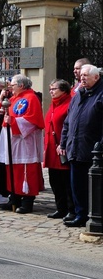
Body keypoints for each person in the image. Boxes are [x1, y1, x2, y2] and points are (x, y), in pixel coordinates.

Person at [60, 64, 103, 227]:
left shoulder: (100, 94)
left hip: (93, 150)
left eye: (86, 75)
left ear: (96, 77)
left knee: (93, 186)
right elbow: (68, 121)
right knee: (76, 184)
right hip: (75, 147)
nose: (82, 78)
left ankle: (93, 215)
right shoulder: (78, 95)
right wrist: (64, 142)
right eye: (81, 75)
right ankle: (80, 213)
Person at [0, 74, 45, 214]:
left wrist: (15, 121)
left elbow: (33, 120)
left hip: (25, 142)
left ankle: (27, 202)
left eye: (13, 84)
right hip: (12, 140)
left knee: (25, 171)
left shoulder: (31, 98)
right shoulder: (14, 98)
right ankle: (14, 198)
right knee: (12, 169)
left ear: (21, 86)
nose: (10, 87)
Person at [43, 79, 74, 219]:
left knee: (66, 182)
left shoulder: (69, 103)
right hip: (52, 150)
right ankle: (60, 208)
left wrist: (64, 144)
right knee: (54, 181)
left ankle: (70, 209)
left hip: (62, 149)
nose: (51, 91)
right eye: (50, 89)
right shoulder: (53, 104)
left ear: (63, 90)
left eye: (54, 89)